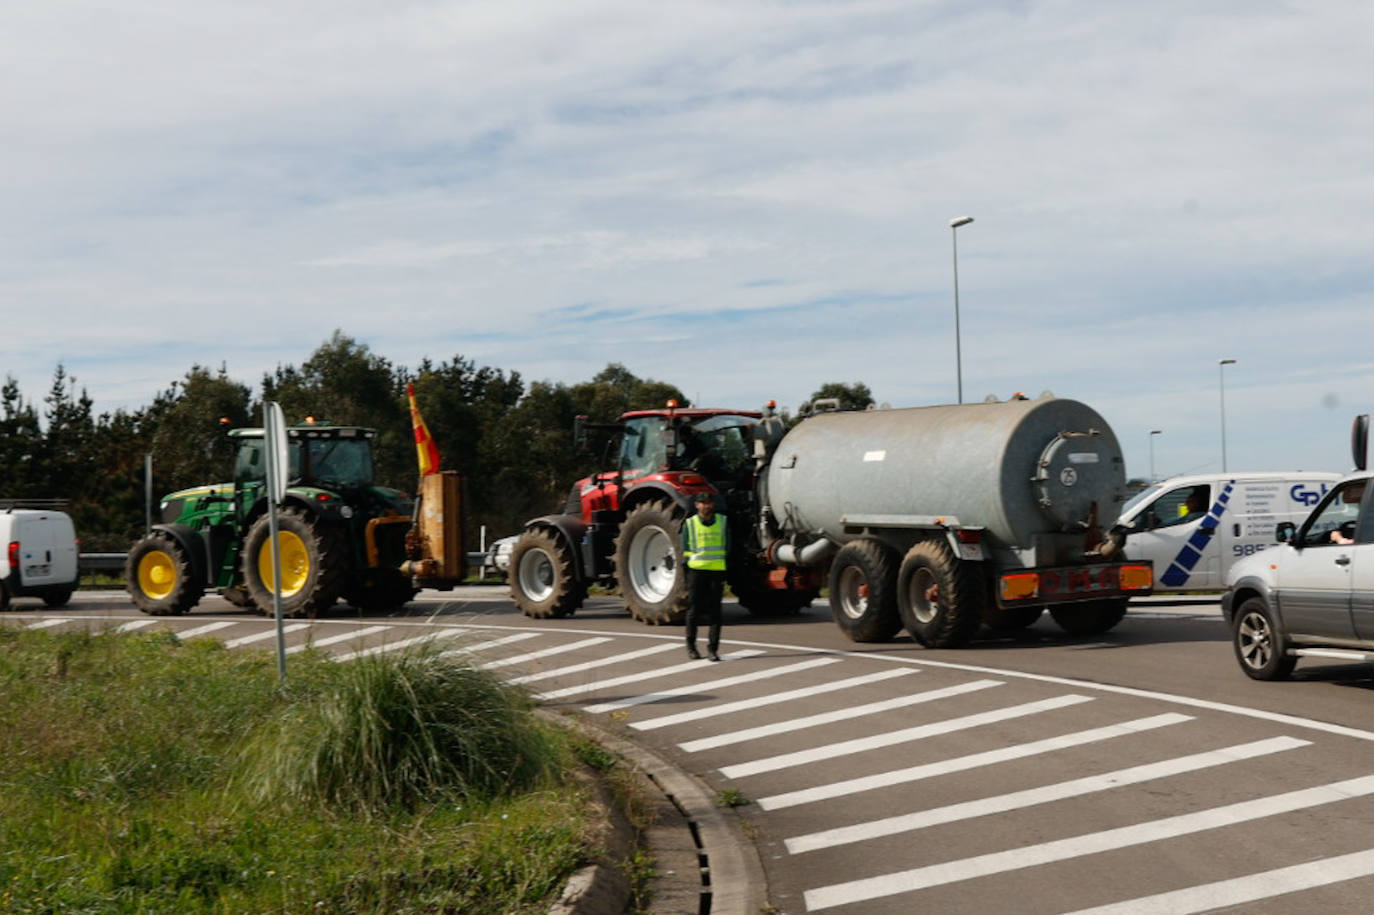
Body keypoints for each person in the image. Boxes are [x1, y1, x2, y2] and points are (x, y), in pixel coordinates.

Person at [683, 491, 728, 661]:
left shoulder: (722, 522)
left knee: (716, 612)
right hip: (696, 572)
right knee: (693, 610)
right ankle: (691, 647)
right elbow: (685, 549)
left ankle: (713, 649)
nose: (706, 505)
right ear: (697, 505)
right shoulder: (690, 524)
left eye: (709, 503)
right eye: (703, 503)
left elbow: (727, 546)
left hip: (716, 571)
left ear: (713, 504)